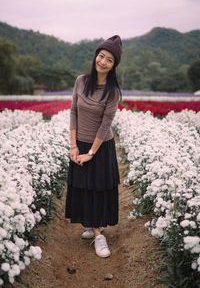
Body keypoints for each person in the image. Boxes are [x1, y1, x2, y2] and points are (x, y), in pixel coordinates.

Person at [65, 35, 122, 258]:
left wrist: (90, 153)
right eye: (101, 56)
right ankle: (90, 223)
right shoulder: (81, 81)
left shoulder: (112, 91)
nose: (103, 62)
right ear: (96, 56)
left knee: (97, 190)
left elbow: (105, 124)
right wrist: (73, 146)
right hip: (79, 143)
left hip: (100, 147)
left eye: (109, 59)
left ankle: (99, 235)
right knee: (83, 188)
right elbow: (73, 111)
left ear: (114, 65)